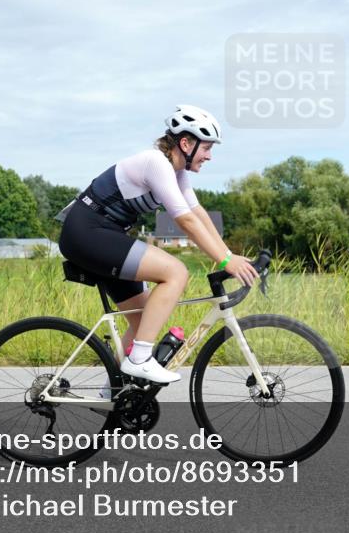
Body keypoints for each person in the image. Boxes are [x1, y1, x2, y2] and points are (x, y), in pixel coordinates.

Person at [56, 105, 259, 386]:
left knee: (142, 318)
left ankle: (114, 393)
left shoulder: (178, 173)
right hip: (86, 232)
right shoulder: (156, 163)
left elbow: (198, 213)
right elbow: (186, 221)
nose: (209, 156)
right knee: (175, 272)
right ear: (186, 143)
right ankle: (140, 359)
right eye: (207, 148)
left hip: (103, 234)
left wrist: (227, 253)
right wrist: (225, 262)